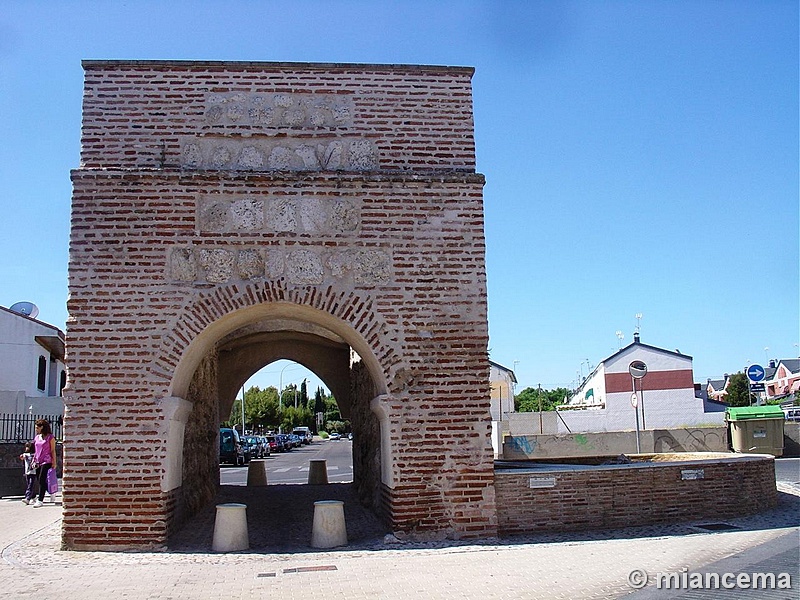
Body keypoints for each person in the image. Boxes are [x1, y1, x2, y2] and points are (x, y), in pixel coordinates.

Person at [32, 419, 57, 508]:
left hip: (47, 460)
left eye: (37, 427)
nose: (36, 429)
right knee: (39, 480)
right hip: (38, 460)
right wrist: (33, 460)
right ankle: (51, 491)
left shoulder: (50, 437)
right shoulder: (37, 437)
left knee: (42, 478)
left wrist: (54, 461)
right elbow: (36, 450)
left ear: (42, 427)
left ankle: (40, 500)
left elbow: (53, 450)